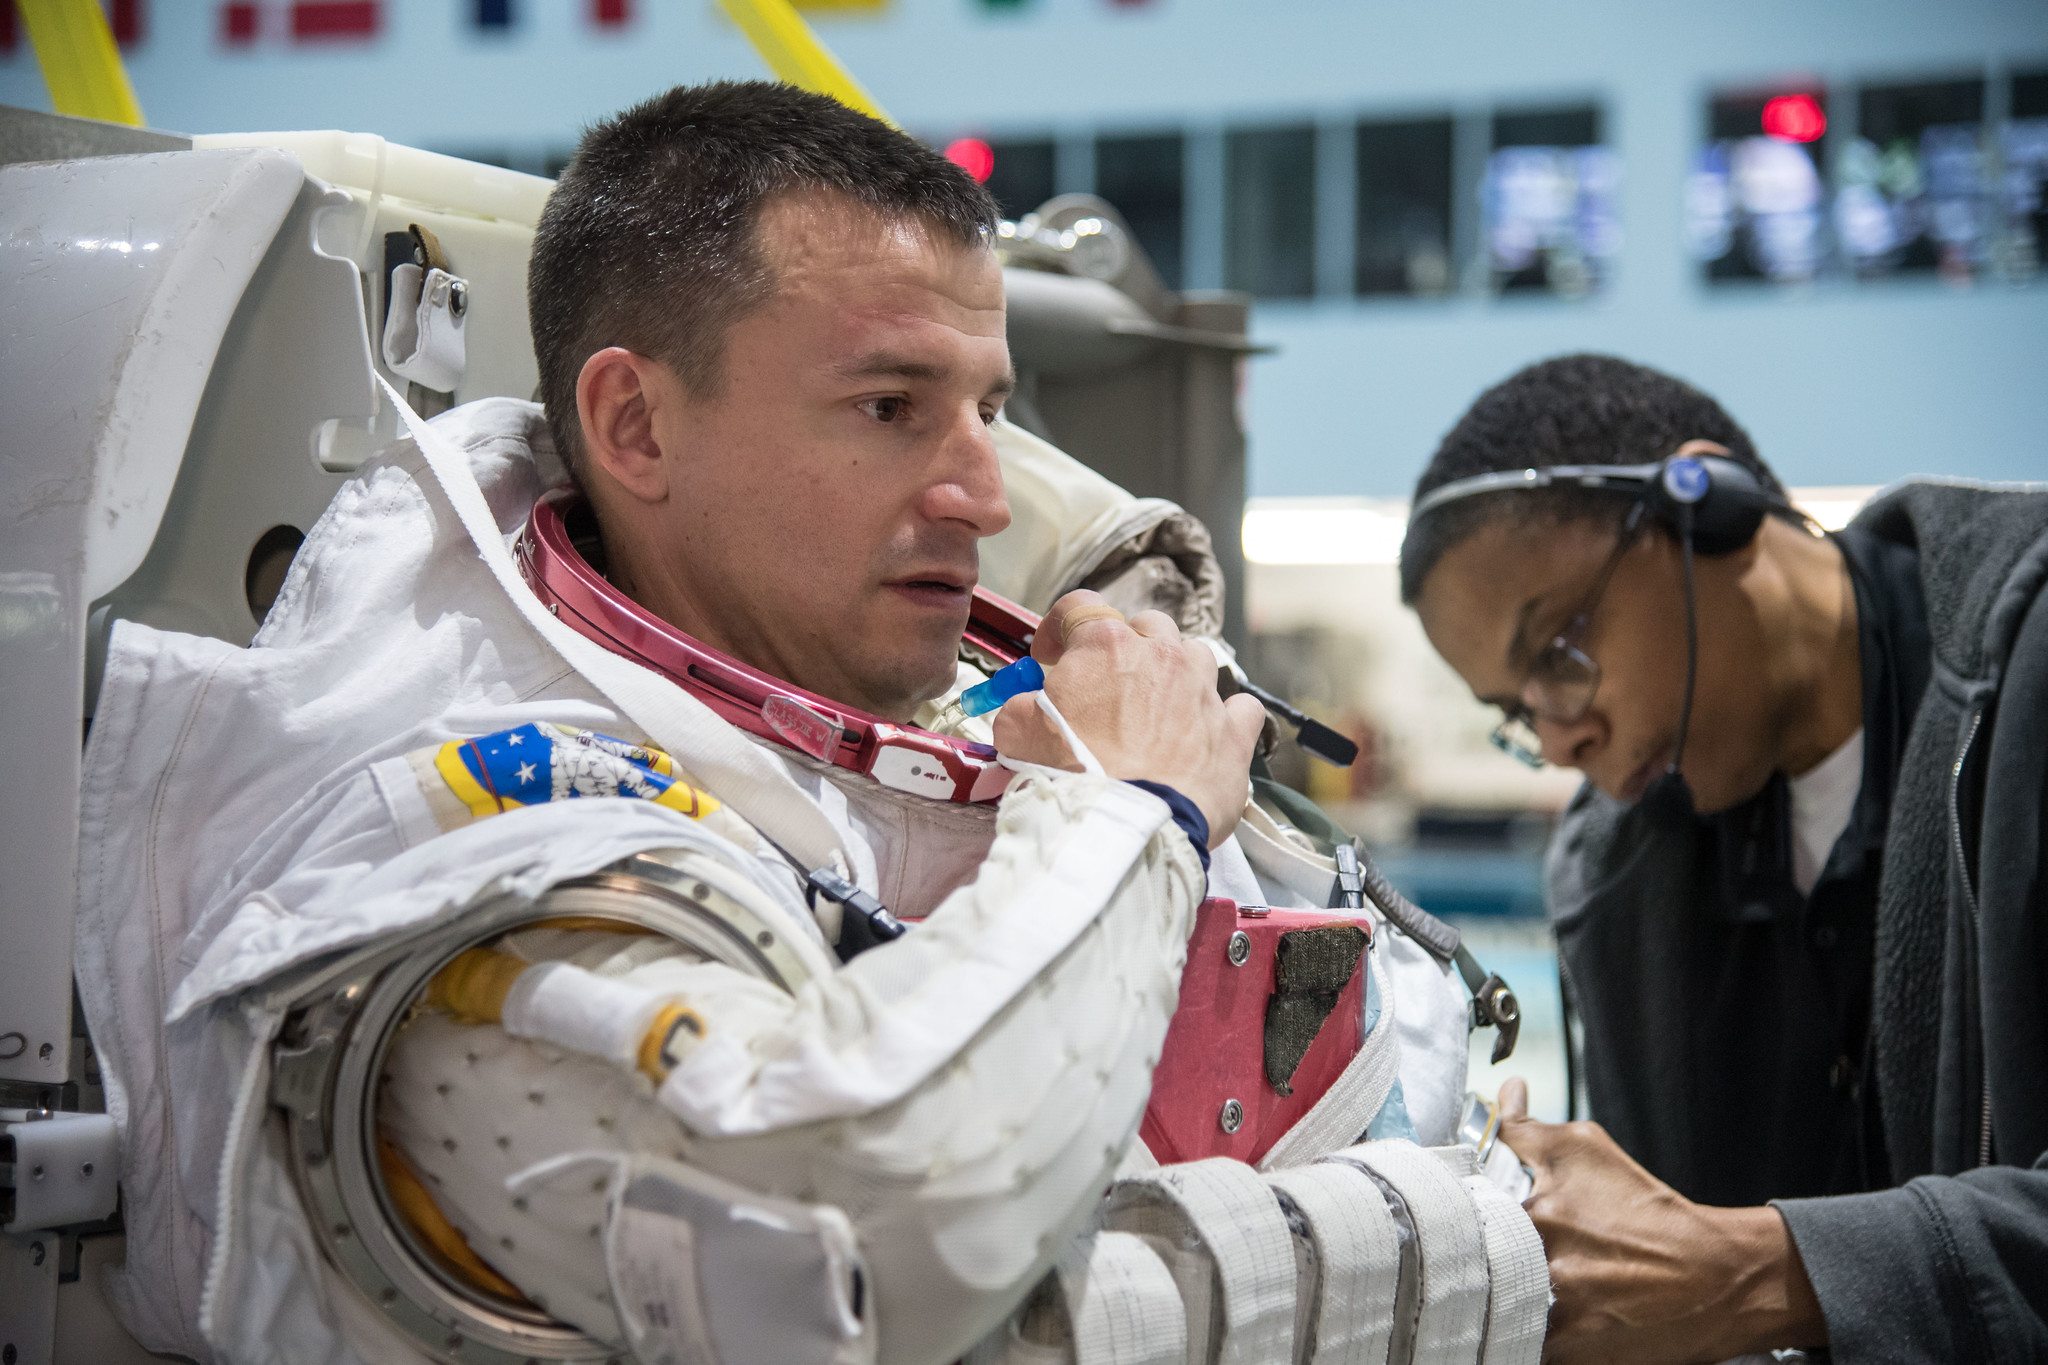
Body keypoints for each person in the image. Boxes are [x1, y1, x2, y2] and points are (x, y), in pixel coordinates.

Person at [74, 81, 1519, 1365]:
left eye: (988, 411)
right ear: (635, 427)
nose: (987, 495)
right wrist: (1132, 812)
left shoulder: (890, 758)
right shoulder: (472, 842)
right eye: (892, 404)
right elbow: (868, 1250)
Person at [1399, 352, 2048, 1362]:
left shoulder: (2026, 681)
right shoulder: (1619, 878)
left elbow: (1714, 1273)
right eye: (1514, 712)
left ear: (1709, 505)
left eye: (1558, 651)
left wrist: (1759, 1272)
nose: (1560, 738)